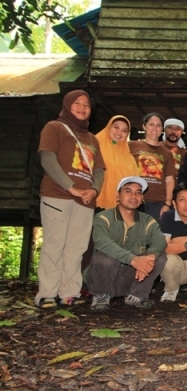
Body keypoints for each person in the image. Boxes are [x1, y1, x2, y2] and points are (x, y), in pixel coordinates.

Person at [35, 90, 105, 308]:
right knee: (55, 244)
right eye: (77, 103)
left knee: (76, 248)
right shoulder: (54, 127)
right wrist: (71, 187)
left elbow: (99, 169)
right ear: (67, 105)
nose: (82, 108)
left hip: (85, 200)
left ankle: (68, 292)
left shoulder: (92, 138)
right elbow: (48, 159)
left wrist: (94, 190)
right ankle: (47, 292)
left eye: (87, 105)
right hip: (57, 195)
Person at [85, 177, 167, 311]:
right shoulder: (103, 217)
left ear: (142, 198)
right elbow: (102, 241)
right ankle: (101, 295)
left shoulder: (147, 220)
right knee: (106, 256)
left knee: (160, 256)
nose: (133, 196)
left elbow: (160, 240)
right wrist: (133, 259)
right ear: (117, 196)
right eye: (128, 191)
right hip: (102, 276)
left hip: (130, 279)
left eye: (138, 192)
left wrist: (149, 258)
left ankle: (137, 296)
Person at [129, 113, 176, 221]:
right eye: (151, 124)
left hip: (158, 202)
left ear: (162, 129)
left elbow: (169, 180)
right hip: (135, 199)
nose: (155, 128)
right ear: (144, 126)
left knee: (153, 236)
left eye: (158, 125)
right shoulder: (131, 146)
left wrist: (167, 204)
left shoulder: (167, 153)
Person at [95, 115, 138, 210]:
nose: (119, 132)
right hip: (95, 201)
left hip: (120, 207)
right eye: (116, 127)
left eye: (124, 130)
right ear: (109, 127)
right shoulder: (95, 146)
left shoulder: (129, 157)